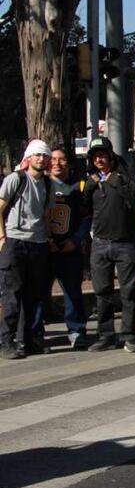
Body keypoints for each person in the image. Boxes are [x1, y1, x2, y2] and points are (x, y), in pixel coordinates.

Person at [81, 137, 135, 353]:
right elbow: (82, 211)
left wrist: (120, 185)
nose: (99, 159)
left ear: (110, 155)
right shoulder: (90, 180)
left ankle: (129, 336)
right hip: (99, 244)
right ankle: (105, 335)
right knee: (102, 292)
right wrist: (89, 188)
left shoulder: (124, 176)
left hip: (125, 243)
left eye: (103, 154)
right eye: (95, 155)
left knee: (128, 292)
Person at [0, 140, 54, 359]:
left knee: (33, 296)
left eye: (45, 155)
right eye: (38, 155)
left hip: (38, 243)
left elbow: (47, 214)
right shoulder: (16, 179)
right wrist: (2, 236)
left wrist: (48, 238)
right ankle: (6, 341)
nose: (41, 159)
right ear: (28, 158)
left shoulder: (49, 184)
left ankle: (27, 340)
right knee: (12, 296)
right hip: (15, 241)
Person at [33, 147, 90, 350]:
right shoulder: (40, 184)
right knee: (38, 293)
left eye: (62, 159)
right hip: (43, 247)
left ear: (69, 162)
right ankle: (36, 333)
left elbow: (86, 217)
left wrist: (75, 240)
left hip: (69, 248)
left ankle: (76, 331)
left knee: (73, 292)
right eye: (53, 159)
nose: (57, 163)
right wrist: (45, 239)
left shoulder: (80, 185)